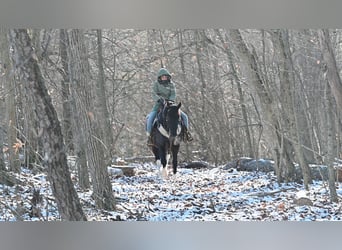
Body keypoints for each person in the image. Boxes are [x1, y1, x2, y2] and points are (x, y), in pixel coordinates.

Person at [146, 68, 192, 143]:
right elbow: (153, 94)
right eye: (162, 77)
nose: (164, 78)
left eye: (165, 77)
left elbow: (173, 94)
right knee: (150, 118)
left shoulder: (171, 85)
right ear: (160, 77)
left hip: (170, 104)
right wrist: (159, 99)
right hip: (159, 105)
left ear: (168, 77)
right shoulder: (156, 85)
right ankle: (150, 137)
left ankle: (185, 134)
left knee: (185, 117)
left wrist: (170, 100)